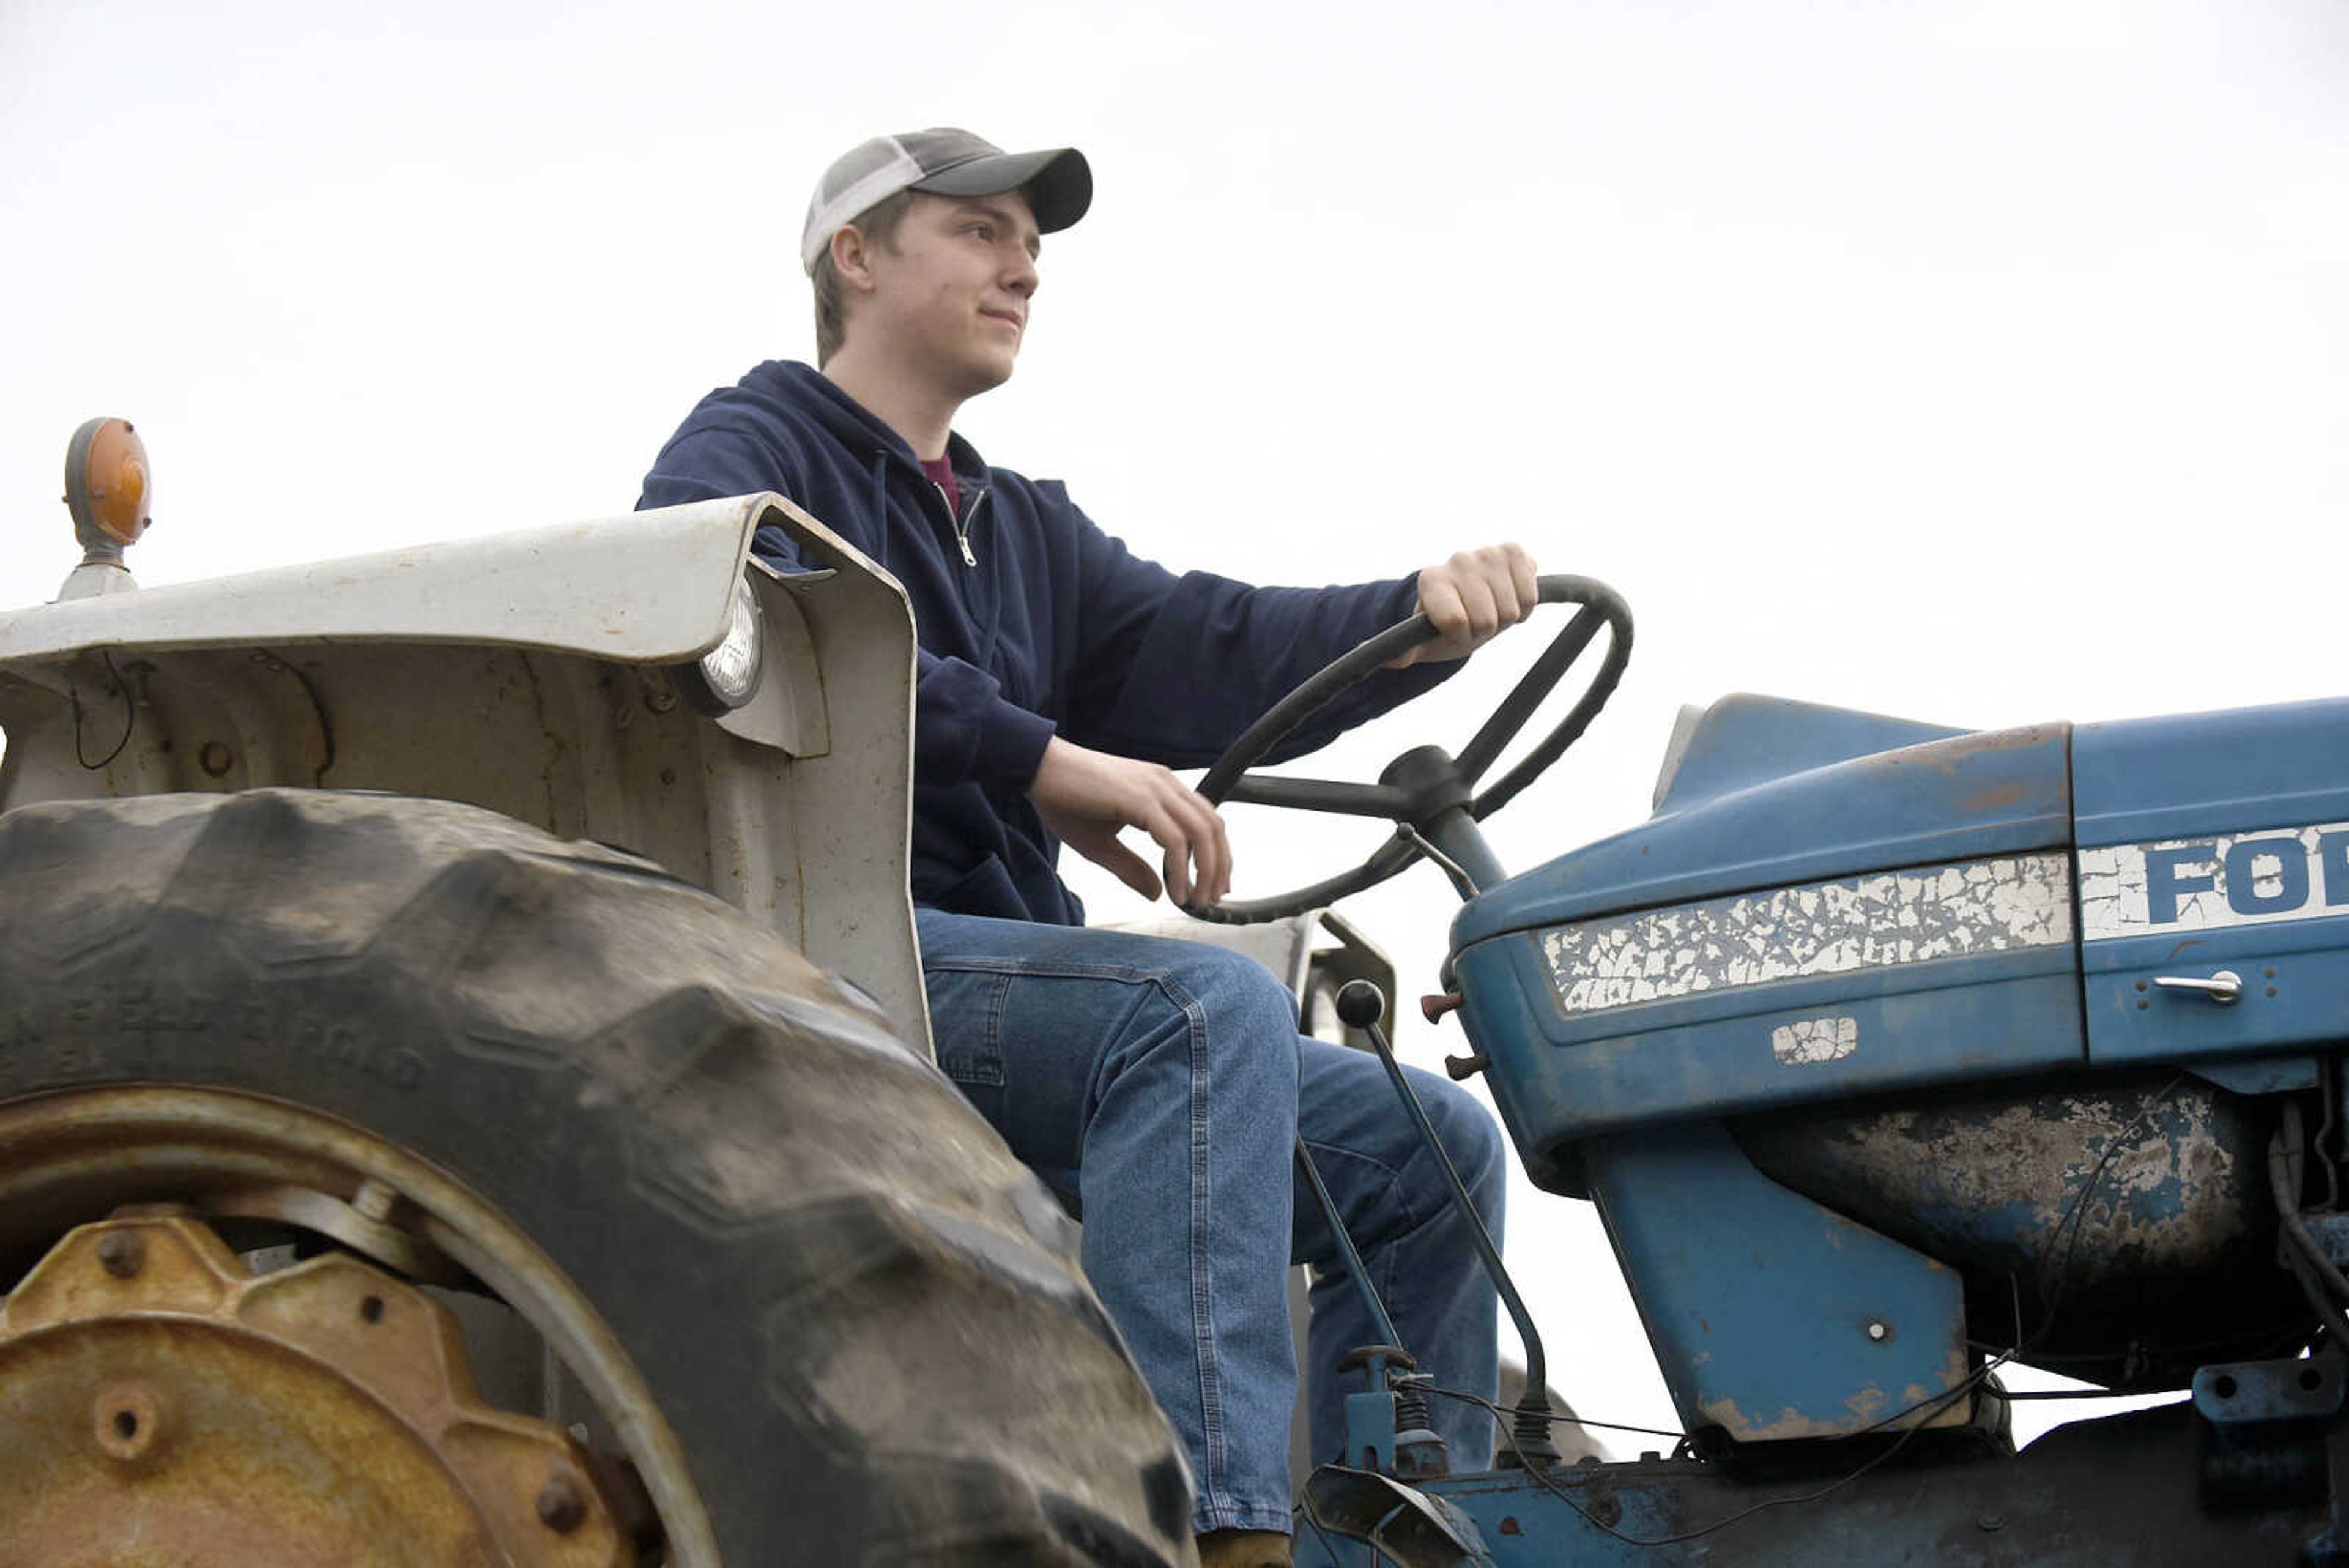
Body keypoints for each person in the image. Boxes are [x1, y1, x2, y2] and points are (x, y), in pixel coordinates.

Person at [637, 128, 1537, 1567]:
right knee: (1198, 1009)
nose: (1023, 267)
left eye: (1033, 245)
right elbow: (768, 607)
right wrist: (1038, 754)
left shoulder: (1022, 530)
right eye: (981, 232)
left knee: (1426, 1144)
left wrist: (1415, 620)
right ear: (855, 259)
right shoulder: (755, 450)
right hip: (836, 964)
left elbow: (1216, 643)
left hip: (1016, 991)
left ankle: (1393, 1538)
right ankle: (1203, 1530)